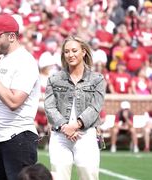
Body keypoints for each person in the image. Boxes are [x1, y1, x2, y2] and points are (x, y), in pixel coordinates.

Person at [0, 13, 41, 180]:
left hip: (17, 139)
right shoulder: (5, 59)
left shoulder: (25, 61)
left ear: (12, 36)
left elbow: (14, 101)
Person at [44, 36, 106, 180]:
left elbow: (95, 107)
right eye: (66, 52)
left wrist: (76, 125)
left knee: (89, 176)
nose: (70, 55)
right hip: (60, 135)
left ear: (83, 52)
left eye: (74, 50)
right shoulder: (54, 79)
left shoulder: (97, 79)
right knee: (59, 176)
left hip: (86, 135)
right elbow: (49, 107)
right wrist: (65, 126)